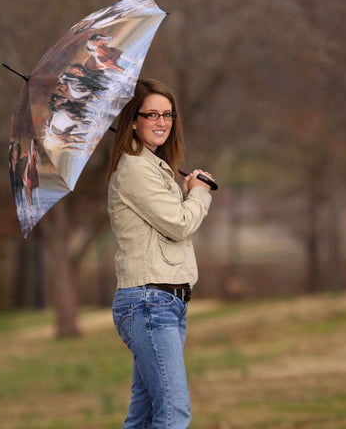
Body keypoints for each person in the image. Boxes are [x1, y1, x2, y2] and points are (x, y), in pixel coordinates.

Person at [107, 78, 213, 429]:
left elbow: (165, 223)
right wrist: (199, 194)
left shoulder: (153, 167)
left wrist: (184, 189)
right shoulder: (135, 168)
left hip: (165, 301)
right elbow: (179, 225)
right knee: (174, 412)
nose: (161, 122)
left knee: (146, 414)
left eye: (168, 114)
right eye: (151, 114)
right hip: (149, 303)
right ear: (133, 120)